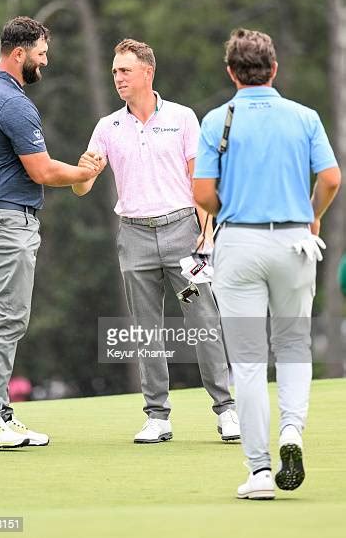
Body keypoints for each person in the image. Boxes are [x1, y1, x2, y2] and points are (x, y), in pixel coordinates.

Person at [193, 28, 341, 499]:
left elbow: (201, 194)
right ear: (273, 69)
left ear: (231, 73)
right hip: (296, 242)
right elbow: (332, 178)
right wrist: (311, 216)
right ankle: (292, 431)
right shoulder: (304, 116)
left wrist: (233, 207)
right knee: (295, 344)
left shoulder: (218, 119)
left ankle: (259, 472)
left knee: (249, 360)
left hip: (238, 244)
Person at [72, 38, 240, 444]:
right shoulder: (107, 126)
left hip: (183, 232)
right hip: (134, 235)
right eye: (114, 71)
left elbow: (199, 179)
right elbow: (82, 188)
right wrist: (83, 172)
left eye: (125, 71)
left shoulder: (182, 118)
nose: (118, 78)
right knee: (146, 329)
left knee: (202, 322)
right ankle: (157, 417)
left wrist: (205, 232)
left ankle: (226, 410)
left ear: (147, 72)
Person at [0, 16, 103, 448]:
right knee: (8, 319)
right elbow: (40, 170)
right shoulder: (13, 102)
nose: (45, 62)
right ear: (19, 53)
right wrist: (85, 171)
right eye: (41, 54)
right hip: (6, 224)